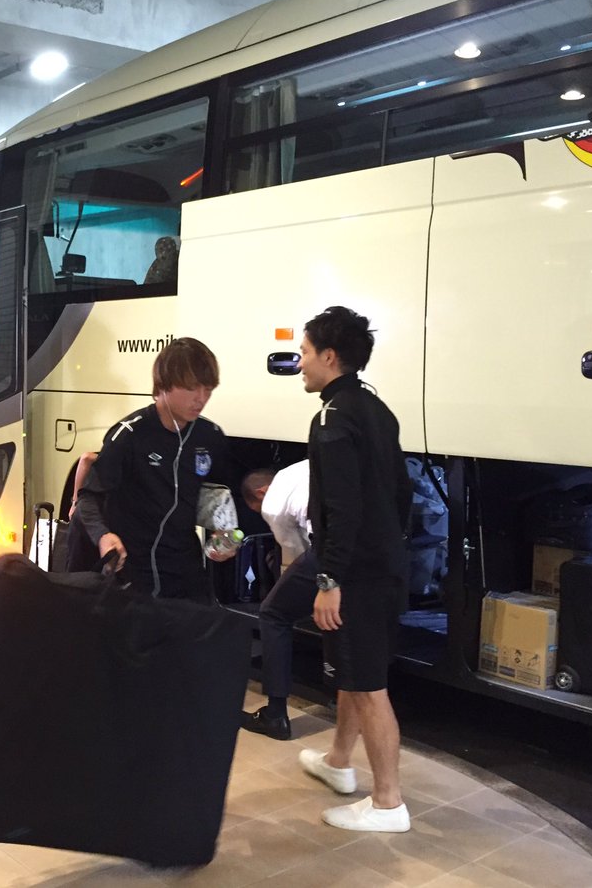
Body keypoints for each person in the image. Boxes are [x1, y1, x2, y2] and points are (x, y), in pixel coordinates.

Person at [294, 306, 412, 833]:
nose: (299, 363)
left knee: (367, 686)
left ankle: (388, 803)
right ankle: (339, 762)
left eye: (303, 353)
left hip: (356, 574)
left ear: (329, 356)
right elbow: (402, 493)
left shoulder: (331, 419)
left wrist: (329, 580)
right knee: (354, 671)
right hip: (384, 564)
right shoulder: (377, 409)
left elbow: (340, 509)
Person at [74, 337, 234, 602]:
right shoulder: (130, 434)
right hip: (132, 568)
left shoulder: (210, 435)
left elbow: (224, 492)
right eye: (192, 388)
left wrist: (226, 534)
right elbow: (88, 497)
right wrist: (103, 536)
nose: (201, 399)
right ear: (164, 385)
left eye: (208, 390)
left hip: (186, 569)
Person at [238, 460, 315, 740]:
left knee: (272, 613)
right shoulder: (302, 469)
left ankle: (275, 715)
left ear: (261, 493)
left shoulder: (272, 502)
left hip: (332, 548)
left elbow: (295, 553)